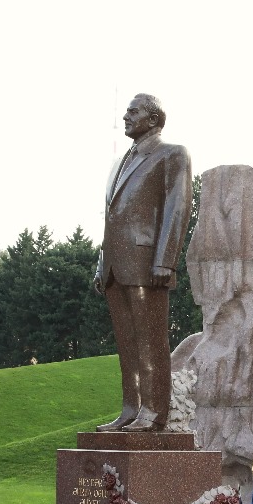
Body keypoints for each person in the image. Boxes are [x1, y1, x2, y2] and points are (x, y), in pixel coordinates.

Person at [92, 93, 193, 432]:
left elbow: (177, 207)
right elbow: (111, 217)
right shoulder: (120, 162)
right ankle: (130, 409)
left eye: (132, 111)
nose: (125, 116)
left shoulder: (171, 154)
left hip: (148, 263)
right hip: (115, 266)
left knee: (151, 341)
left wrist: (166, 260)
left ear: (152, 119)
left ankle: (154, 413)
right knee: (127, 344)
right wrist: (101, 262)